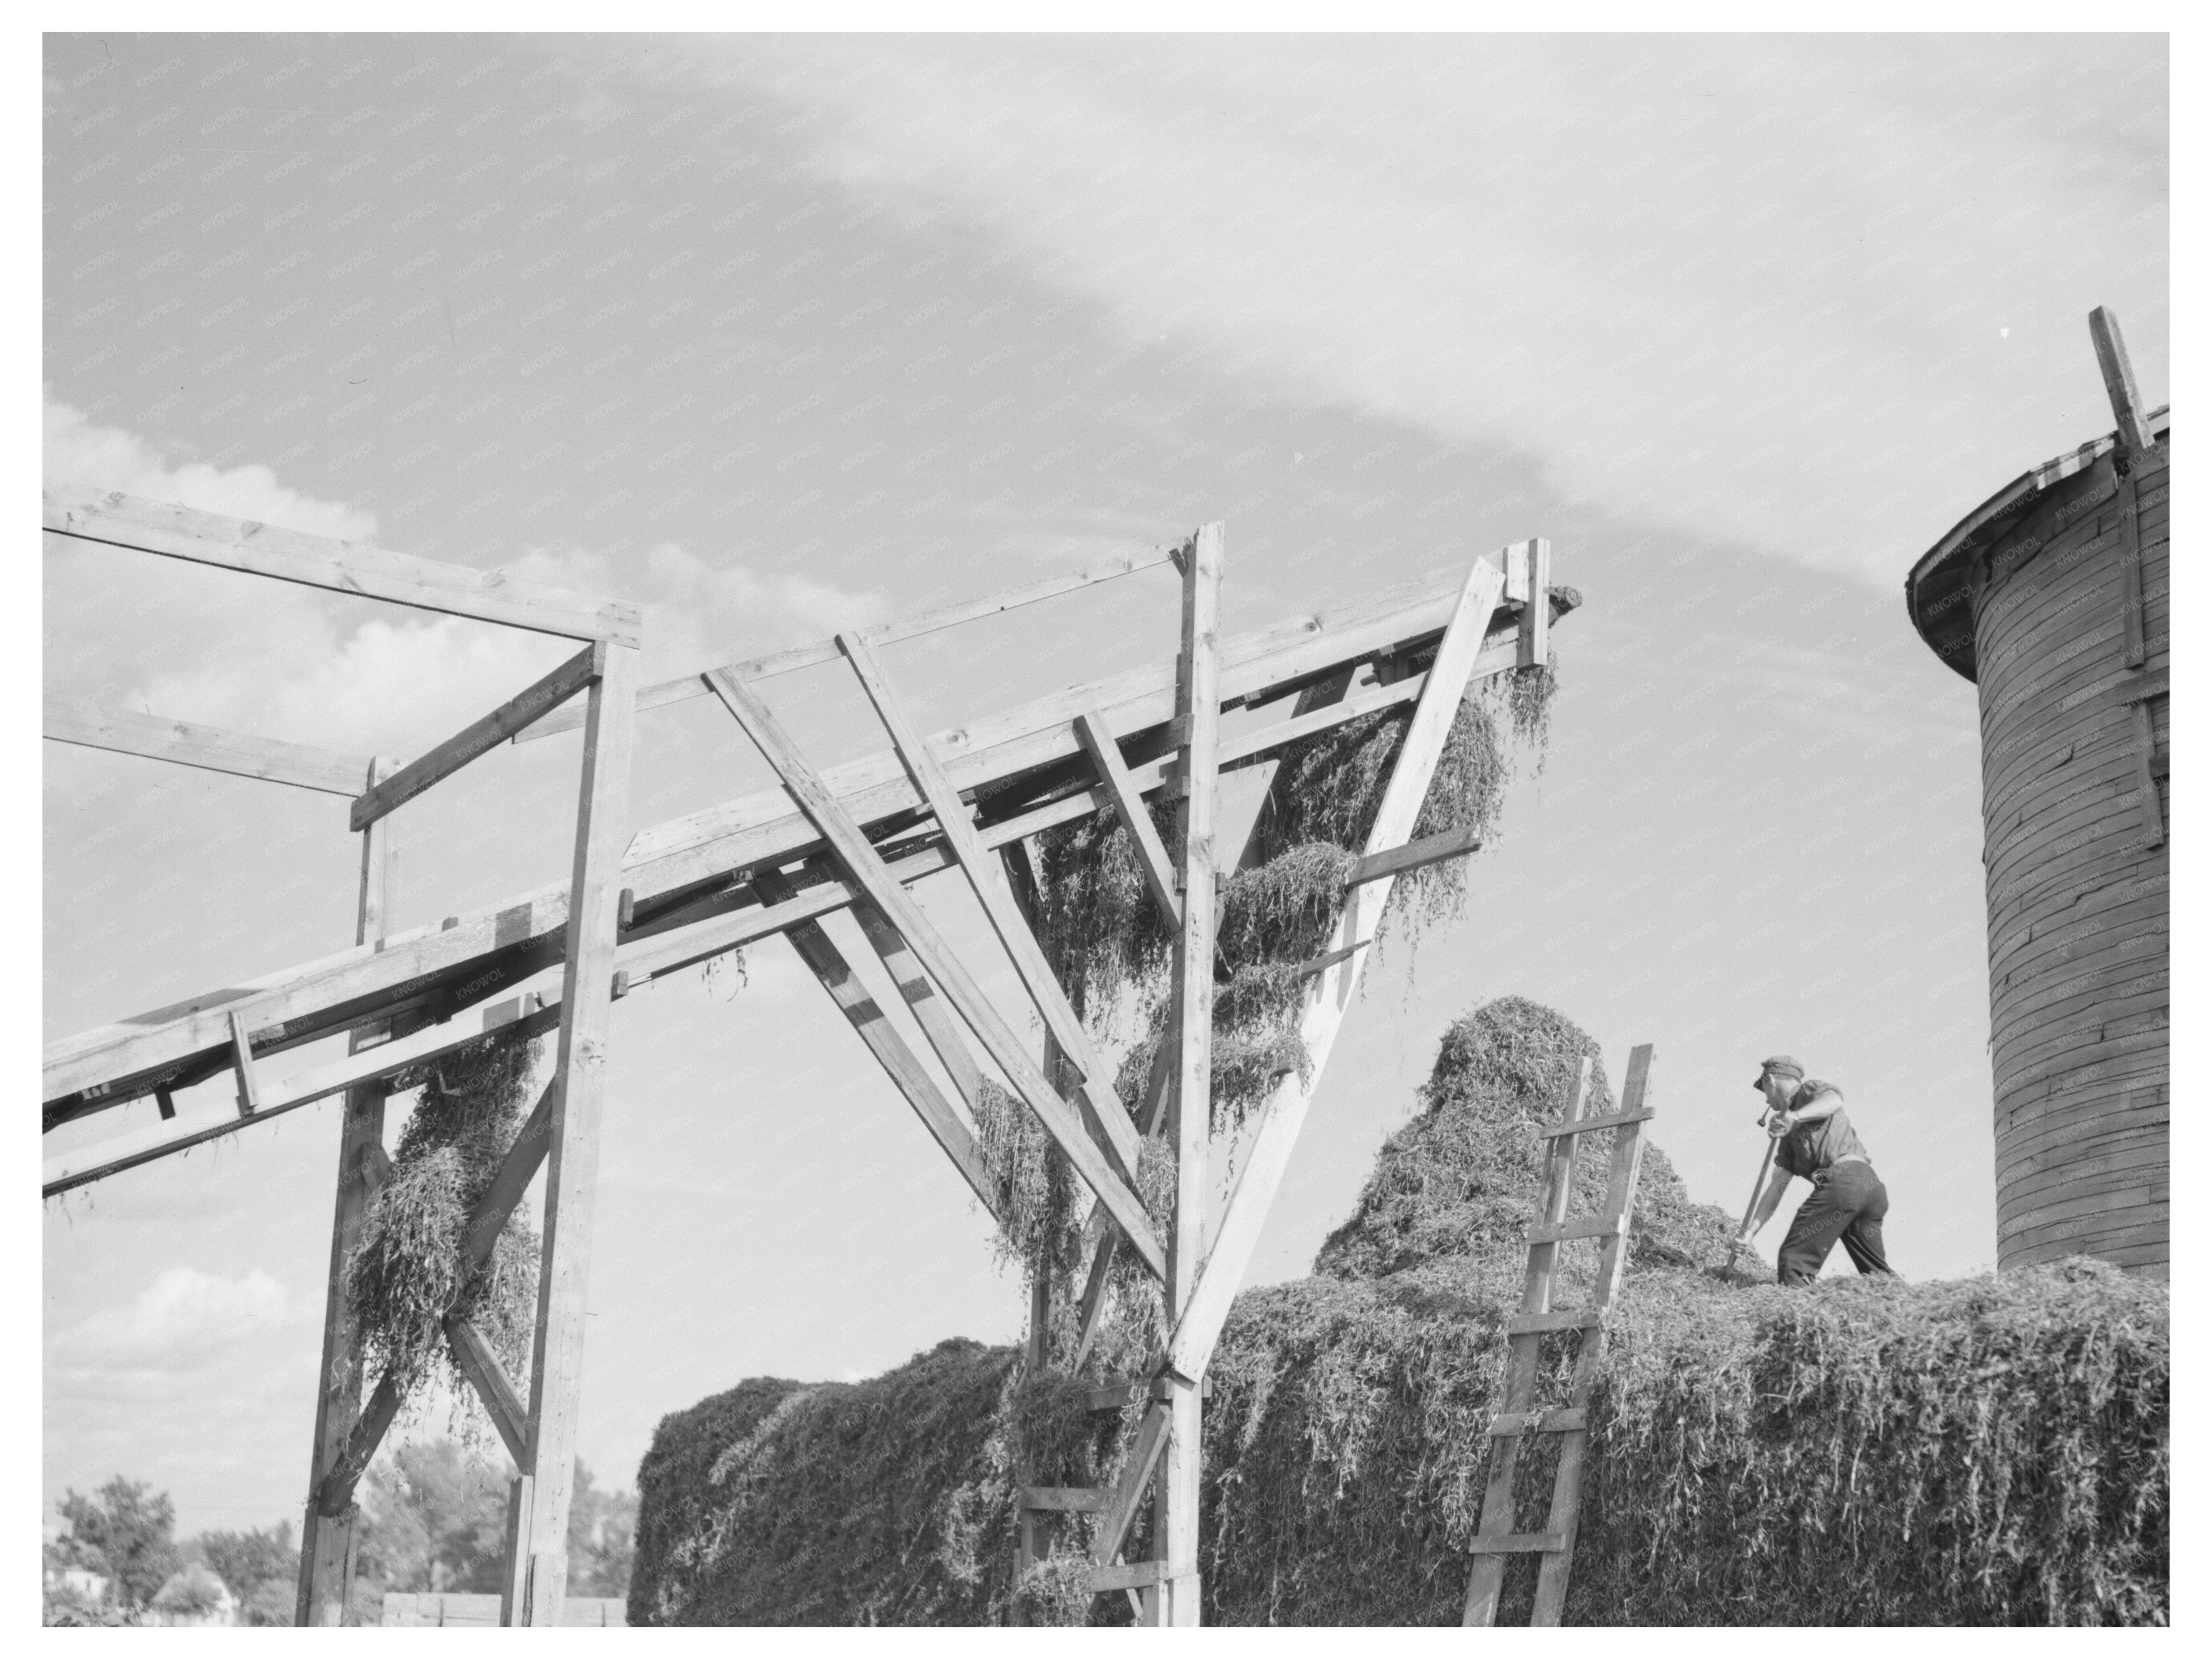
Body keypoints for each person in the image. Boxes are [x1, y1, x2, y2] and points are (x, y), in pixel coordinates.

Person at [1733, 1055, 1896, 1285]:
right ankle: (1913, 1312)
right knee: (1876, 1272)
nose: (1767, 1101)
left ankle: (1799, 1318)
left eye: (1765, 1092)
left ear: (1770, 1079)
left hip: (1846, 1182)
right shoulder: (1787, 1138)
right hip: (1868, 1188)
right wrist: (1750, 1232)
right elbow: (1777, 1188)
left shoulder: (1809, 1091)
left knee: (1793, 1259)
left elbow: (1835, 1101)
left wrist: (1795, 1117)